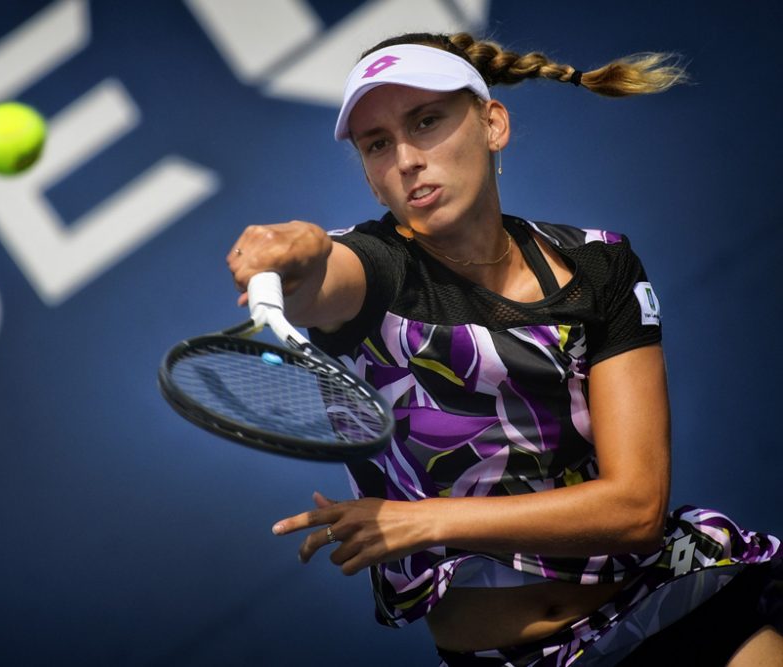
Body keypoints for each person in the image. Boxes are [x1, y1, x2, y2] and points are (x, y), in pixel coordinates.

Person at [225, 33, 783, 666]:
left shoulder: (599, 267)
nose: (406, 158)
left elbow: (636, 508)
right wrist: (293, 246)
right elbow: (321, 267)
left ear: (493, 124)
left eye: (426, 121)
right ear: (370, 177)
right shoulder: (374, 274)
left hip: (677, 605)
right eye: (377, 144)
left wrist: (427, 521)